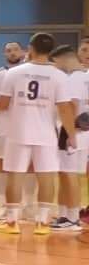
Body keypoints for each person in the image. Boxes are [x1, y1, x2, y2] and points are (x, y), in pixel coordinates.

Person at [0, 33, 77, 236]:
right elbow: (65, 109)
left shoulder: (14, 73)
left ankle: (12, 222)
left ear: (30, 48)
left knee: (15, 175)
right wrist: (72, 135)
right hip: (46, 133)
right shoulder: (59, 76)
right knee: (46, 176)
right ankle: (42, 222)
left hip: (18, 132)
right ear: (51, 50)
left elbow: (2, 104)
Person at [0, 41, 28, 215]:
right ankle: (3, 206)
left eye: (15, 49)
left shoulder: (30, 73)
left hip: (26, 129)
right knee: (2, 168)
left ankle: (27, 206)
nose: (12, 53)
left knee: (27, 168)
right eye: (8, 50)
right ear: (4, 54)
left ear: (22, 51)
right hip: (3, 129)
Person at [51, 45, 87, 233]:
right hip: (84, 132)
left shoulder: (74, 78)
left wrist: (69, 133)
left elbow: (71, 106)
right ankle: (65, 215)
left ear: (62, 59)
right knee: (69, 173)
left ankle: (72, 218)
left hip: (72, 131)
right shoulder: (85, 76)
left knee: (68, 174)